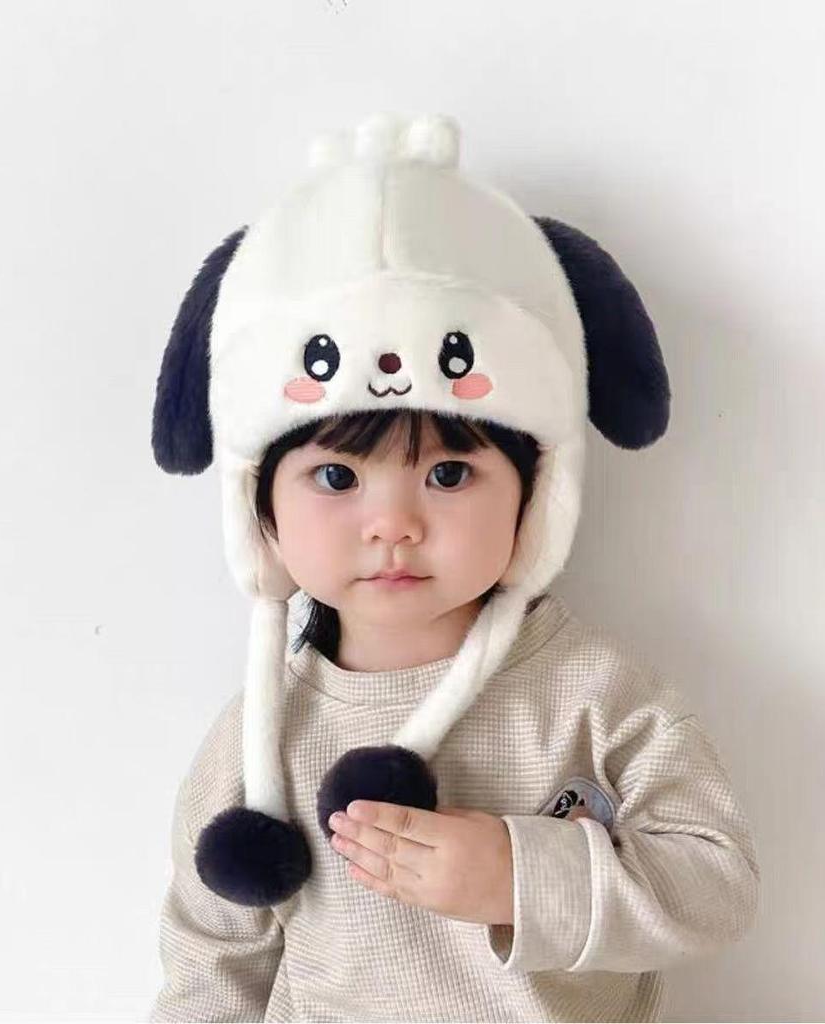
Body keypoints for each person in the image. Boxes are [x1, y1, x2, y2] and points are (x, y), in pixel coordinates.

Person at [147, 113, 760, 1022]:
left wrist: (519, 876)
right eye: (336, 477)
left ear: (535, 495)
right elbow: (211, 964)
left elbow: (716, 885)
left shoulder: (598, 697)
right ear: (260, 509)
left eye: (447, 474)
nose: (393, 525)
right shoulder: (257, 743)